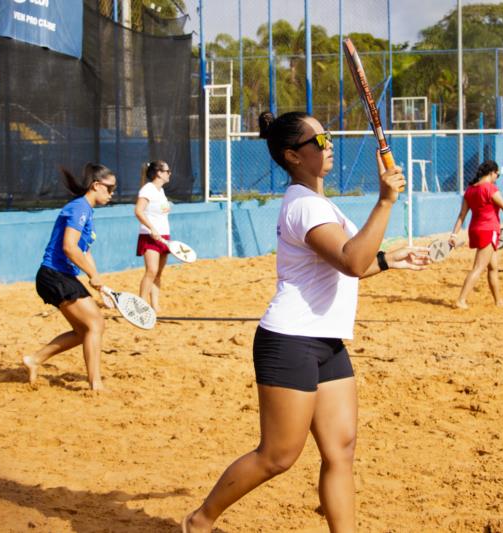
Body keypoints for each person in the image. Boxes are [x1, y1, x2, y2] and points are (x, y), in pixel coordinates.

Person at [182, 111, 429, 533]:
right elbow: (352, 261)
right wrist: (385, 202)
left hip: (326, 341)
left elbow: (349, 264)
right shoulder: (304, 206)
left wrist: (388, 259)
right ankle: (199, 521)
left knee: (340, 450)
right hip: (290, 341)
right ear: (293, 156)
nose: (329, 144)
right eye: (319, 140)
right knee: (277, 456)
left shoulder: (319, 203)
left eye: (327, 136)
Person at [22, 163, 116, 391]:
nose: (112, 193)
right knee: (95, 324)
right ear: (96, 185)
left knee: (83, 331)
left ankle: (34, 360)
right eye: (110, 188)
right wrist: (92, 275)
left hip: (60, 275)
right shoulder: (79, 208)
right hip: (53, 275)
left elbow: (85, 251)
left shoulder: (87, 211)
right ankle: (95, 384)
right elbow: (69, 247)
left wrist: (99, 285)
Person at [448, 160, 503, 309]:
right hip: (488, 230)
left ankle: (498, 301)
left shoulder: (470, 189)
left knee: (493, 267)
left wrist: (454, 235)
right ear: (492, 173)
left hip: (475, 229)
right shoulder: (490, 188)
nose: (497, 177)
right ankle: (461, 300)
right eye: (497, 174)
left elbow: (461, 215)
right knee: (478, 267)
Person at [135, 160, 173, 312]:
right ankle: (141, 305)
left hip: (163, 235)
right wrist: (151, 228)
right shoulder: (147, 189)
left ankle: (155, 306)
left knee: (158, 273)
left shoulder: (160, 191)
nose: (170, 174)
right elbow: (138, 211)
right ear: (159, 173)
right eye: (167, 171)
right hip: (149, 236)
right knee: (151, 270)